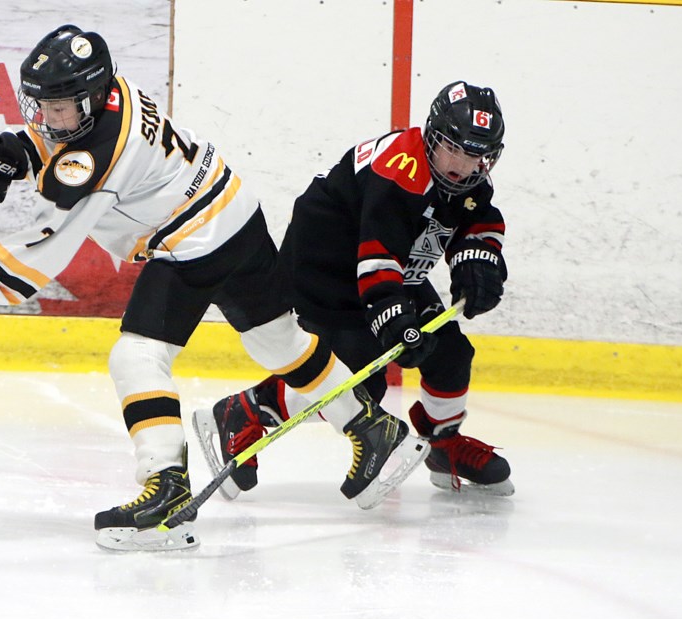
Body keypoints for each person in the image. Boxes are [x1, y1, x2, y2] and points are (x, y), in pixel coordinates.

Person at [0, 25, 429, 552]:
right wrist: (12, 155)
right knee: (278, 341)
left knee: (136, 357)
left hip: (195, 237)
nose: (48, 117)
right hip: (235, 209)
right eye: (42, 105)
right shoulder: (108, 96)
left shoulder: (98, 153)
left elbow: (53, 240)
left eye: (59, 107)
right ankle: (372, 429)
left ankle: (166, 488)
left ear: (91, 97)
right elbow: (63, 143)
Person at [194, 80, 515, 500]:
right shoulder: (399, 170)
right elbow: (377, 253)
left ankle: (444, 443)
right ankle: (248, 408)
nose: (463, 165)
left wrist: (479, 260)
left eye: (476, 155)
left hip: (388, 267)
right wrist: (394, 317)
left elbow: (478, 221)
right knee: (361, 381)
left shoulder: (469, 179)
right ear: (433, 136)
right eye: (454, 148)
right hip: (324, 266)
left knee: (450, 353)